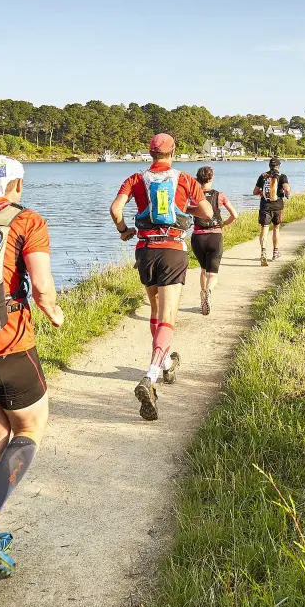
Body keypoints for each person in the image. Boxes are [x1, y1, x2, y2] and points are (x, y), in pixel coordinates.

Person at [0, 156, 63, 583]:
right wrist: (55, 314)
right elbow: (42, 286)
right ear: (18, 186)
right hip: (7, 340)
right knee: (29, 427)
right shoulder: (28, 221)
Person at [110, 134, 213, 421]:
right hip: (172, 250)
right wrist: (185, 209)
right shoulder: (185, 179)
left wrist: (123, 230)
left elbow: (116, 209)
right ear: (173, 151)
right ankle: (151, 376)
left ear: (151, 153)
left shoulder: (134, 178)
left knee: (155, 311)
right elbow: (206, 211)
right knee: (169, 316)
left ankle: (166, 362)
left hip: (144, 251)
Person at [190, 166, 238, 315]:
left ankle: (202, 297)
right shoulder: (220, 195)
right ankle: (208, 291)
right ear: (211, 178)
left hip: (197, 237)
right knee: (213, 273)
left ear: (197, 179)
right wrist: (224, 223)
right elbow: (234, 214)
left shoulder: (193, 196)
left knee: (203, 270)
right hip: (215, 236)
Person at [253, 157, 291, 266]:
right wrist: (287, 194)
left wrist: (262, 192)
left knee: (264, 229)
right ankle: (275, 253)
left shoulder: (263, 176)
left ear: (269, 166)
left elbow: (255, 191)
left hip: (265, 206)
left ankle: (263, 252)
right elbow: (287, 189)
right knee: (276, 228)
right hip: (277, 206)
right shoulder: (282, 176)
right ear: (278, 166)